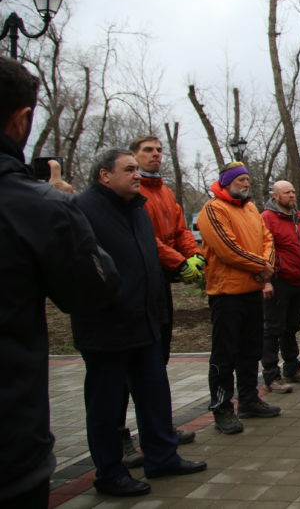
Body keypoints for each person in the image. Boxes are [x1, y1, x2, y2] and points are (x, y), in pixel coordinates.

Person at [0, 58, 118, 508]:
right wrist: (68, 213)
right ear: (21, 120)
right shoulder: (38, 206)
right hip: (10, 442)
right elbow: (93, 288)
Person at [73, 149, 207, 497]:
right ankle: (110, 473)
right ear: (105, 175)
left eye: (137, 169)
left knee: (154, 395)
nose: (137, 175)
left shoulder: (137, 209)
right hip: (106, 326)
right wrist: (110, 301)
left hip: (146, 320)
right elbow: (79, 268)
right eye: (129, 169)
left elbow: (149, 259)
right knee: (106, 404)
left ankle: (162, 457)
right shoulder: (83, 210)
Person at [113, 135, 204, 467]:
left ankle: (159, 429)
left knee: (156, 362)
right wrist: (178, 262)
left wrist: (194, 256)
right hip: (133, 286)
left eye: (159, 150)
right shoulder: (131, 196)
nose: (155, 155)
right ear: (133, 156)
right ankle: (119, 436)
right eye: (147, 151)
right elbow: (145, 239)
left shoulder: (164, 192)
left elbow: (180, 230)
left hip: (158, 286)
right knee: (125, 370)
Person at [196, 162, 280, 435]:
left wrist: (266, 265)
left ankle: (249, 399)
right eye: (241, 179)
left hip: (251, 291)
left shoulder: (251, 208)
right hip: (226, 294)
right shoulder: (213, 210)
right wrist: (262, 267)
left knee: (251, 350)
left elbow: (267, 239)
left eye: (247, 179)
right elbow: (227, 249)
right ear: (226, 182)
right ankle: (222, 407)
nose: (246, 183)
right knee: (225, 354)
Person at [260, 180, 300, 394]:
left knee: (292, 326)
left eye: (293, 191)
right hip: (278, 281)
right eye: (287, 192)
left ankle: (292, 368)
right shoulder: (267, 218)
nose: (292, 195)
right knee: (272, 329)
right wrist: (266, 280)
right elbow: (262, 250)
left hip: (299, 281)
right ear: (275, 196)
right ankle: (271, 376)